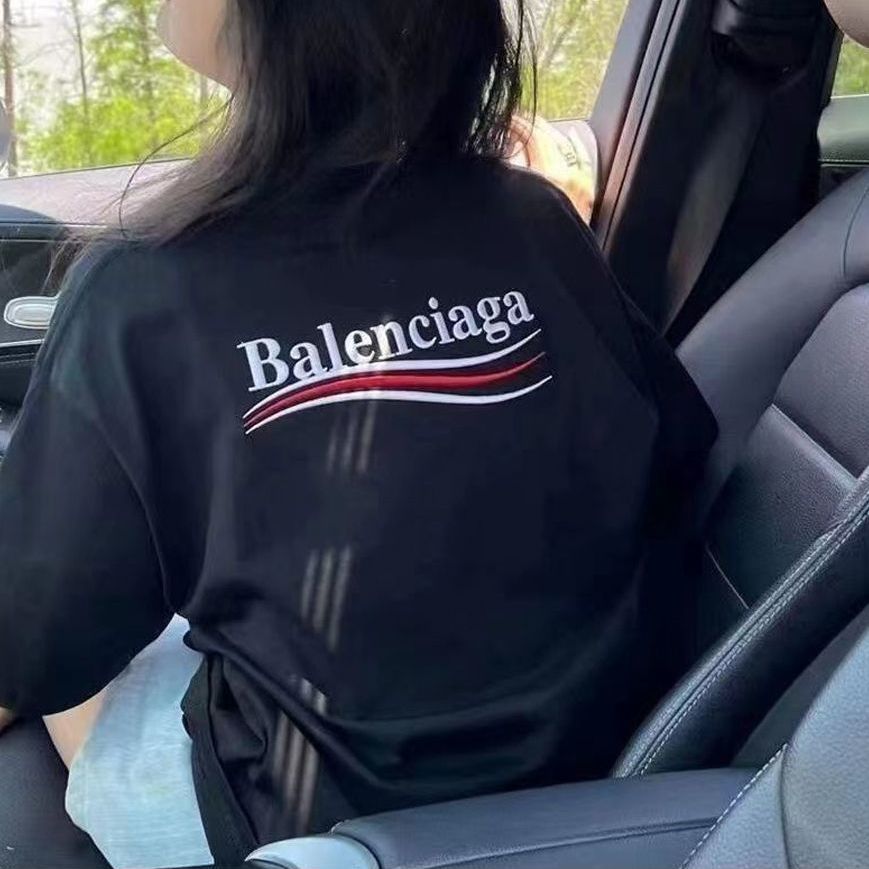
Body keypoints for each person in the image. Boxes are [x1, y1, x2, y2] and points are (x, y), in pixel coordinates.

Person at [0, 1, 716, 867]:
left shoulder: (142, 292)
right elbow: (675, 448)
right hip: (601, 757)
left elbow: (34, 649)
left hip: (318, 826)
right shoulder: (533, 219)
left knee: (85, 669)